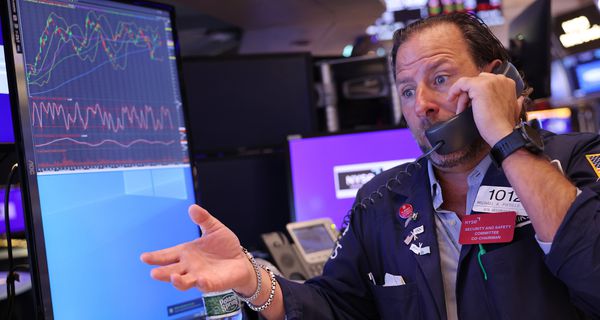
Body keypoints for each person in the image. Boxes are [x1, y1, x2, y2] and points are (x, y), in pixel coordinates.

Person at [141, 13, 600, 319]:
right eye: (405, 90)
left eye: (439, 79)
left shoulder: (577, 159)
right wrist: (251, 278)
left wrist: (508, 139)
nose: (421, 104)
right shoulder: (381, 201)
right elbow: (334, 306)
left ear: (496, 79)